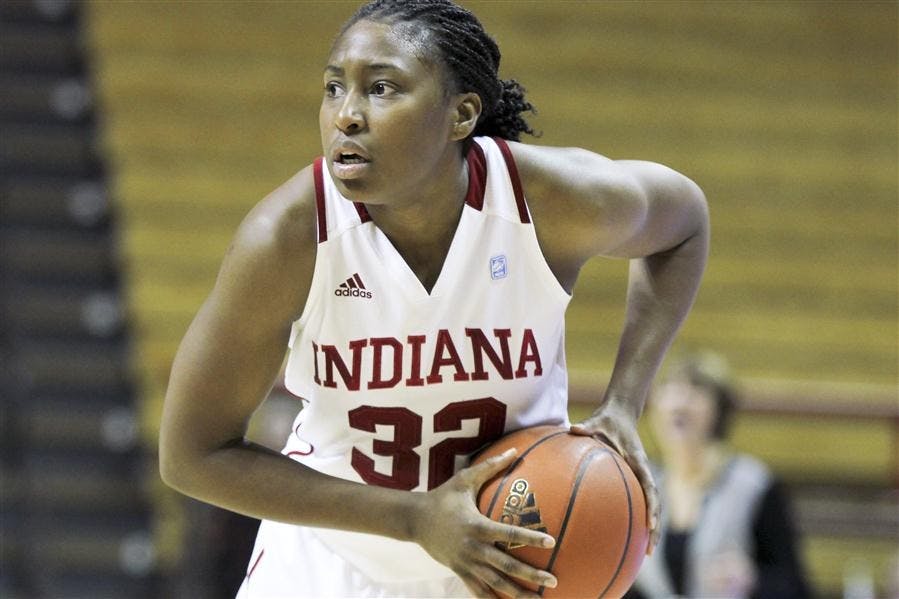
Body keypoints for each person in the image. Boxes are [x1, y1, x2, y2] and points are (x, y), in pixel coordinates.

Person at [158, 1, 709, 597]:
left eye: (381, 88)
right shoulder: (288, 238)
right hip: (330, 564)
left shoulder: (546, 203)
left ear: (461, 114)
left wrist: (624, 404)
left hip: (498, 568)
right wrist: (414, 518)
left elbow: (684, 222)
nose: (346, 115)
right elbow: (192, 456)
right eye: (334, 88)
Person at [625, 352, 811, 599]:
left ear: (719, 410)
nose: (679, 404)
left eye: (695, 391)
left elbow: (795, 586)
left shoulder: (754, 485)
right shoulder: (641, 485)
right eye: (670, 391)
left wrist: (753, 581)